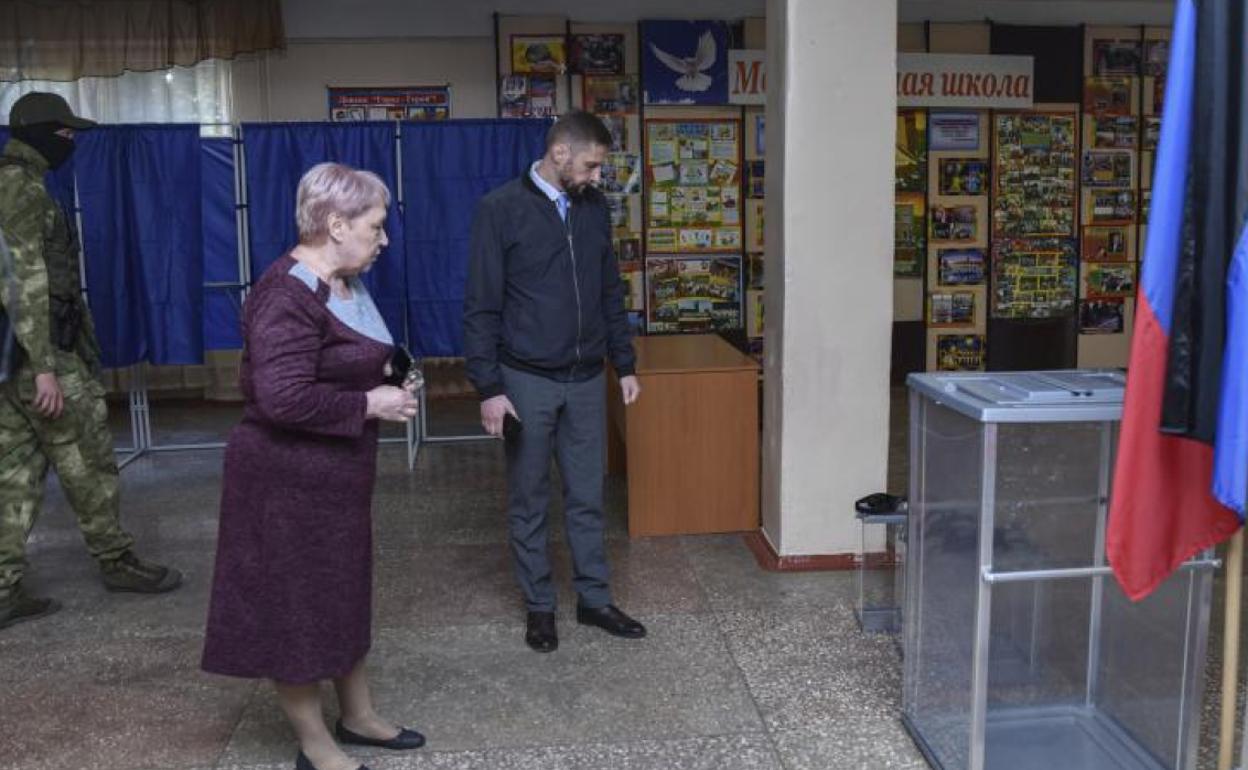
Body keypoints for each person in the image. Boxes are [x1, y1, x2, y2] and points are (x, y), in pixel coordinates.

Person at [201, 163, 423, 770]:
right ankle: (315, 743)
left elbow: (342, 358)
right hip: (284, 486)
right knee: (296, 609)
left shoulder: (343, 283)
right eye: (375, 227)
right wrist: (368, 402)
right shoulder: (284, 294)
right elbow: (281, 398)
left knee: (341, 594)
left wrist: (386, 374)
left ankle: (358, 715)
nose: (383, 239)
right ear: (335, 224)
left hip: (334, 482)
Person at [464, 110, 645, 653]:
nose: (596, 177)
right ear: (560, 153)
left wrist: (625, 362)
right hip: (525, 381)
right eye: (591, 165)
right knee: (529, 498)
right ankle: (540, 606)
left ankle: (594, 600)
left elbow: (610, 290)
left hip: (588, 379)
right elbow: (480, 307)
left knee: (588, 497)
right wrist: (488, 388)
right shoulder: (500, 209)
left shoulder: (593, 210)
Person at [0, 92, 182, 631]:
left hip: (12, 361)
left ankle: (3, 586)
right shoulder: (20, 187)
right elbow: (23, 281)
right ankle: (116, 560)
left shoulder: (16, 182)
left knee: (15, 471)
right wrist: (46, 367)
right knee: (89, 460)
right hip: (39, 356)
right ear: (38, 133)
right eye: (64, 132)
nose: (72, 141)